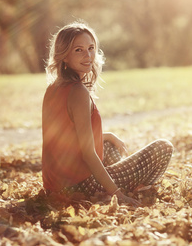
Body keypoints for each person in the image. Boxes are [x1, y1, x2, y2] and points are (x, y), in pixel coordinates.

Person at [42, 21, 173, 206]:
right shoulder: (78, 92)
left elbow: (65, 138)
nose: (88, 55)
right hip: (79, 187)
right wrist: (118, 195)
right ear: (64, 56)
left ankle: (128, 183)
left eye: (91, 48)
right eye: (78, 50)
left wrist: (107, 135)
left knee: (108, 146)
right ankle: (127, 189)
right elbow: (88, 154)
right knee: (163, 147)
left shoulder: (53, 88)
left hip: (56, 185)